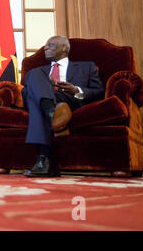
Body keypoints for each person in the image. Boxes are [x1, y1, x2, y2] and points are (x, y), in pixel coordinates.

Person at [22, 35, 104, 177]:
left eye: (51, 44)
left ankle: (44, 160)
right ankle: (52, 112)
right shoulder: (39, 71)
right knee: (34, 77)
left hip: (71, 99)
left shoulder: (86, 66)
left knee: (37, 101)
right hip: (49, 99)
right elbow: (25, 91)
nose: (45, 47)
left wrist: (76, 90)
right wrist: (46, 87)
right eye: (45, 45)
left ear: (64, 48)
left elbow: (99, 92)